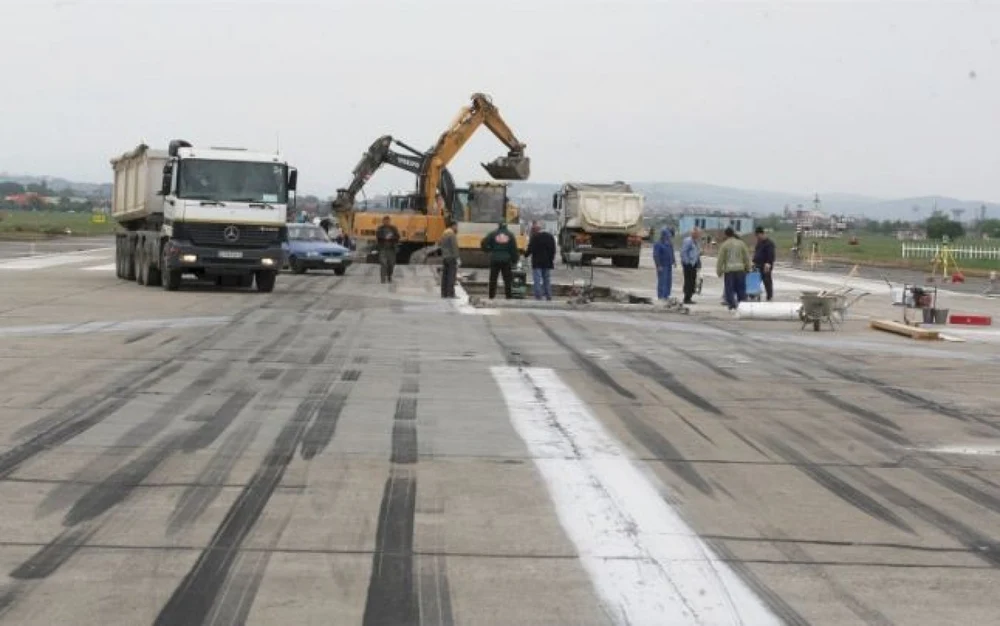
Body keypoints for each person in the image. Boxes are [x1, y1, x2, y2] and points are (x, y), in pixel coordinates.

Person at [480, 221, 519, 299]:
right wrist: (515, 260)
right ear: (506, 225)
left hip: (495, 259)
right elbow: (514, 249)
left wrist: (488, 249)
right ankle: (508, 296)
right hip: (506, 260)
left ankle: (491, 296)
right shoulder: (510, 235)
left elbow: (483, 242)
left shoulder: (493, 234)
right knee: (507, 280)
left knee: (493, 279)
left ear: (498, 225)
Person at [716, 226, 752, 310]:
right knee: (741, 289)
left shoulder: (724, 245)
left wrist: (719, 271)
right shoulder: (741, 243)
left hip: (730, 271)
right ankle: (742, 305)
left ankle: (732, 305)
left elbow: (720, 259)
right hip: (740, 270)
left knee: (729, 289)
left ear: (726, 234)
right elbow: (746, 257)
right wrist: (748, 268)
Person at [525, 220, 556, 300]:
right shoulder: (550, 237)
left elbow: (530, 249)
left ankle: (538, 296)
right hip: (547, 262)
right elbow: (553, 250)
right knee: (547, 280)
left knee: (537, 280)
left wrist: (525, 254)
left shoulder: (535, 237)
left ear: (537, 229)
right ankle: (548, 296)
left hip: (537, 263)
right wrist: (551, 259)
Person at [652, 227, 676, 301]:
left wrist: (674, 261)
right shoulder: (658, 244)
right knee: (662, 281)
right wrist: (658, 265)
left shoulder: (669, 244)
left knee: (668, 281)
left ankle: (666, 295)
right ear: (663, 235)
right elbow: (656, 255)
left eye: (668, 236)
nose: (668, 237)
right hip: (662, 265)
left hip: (668, 265)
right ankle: (661, 296)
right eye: (667, 236)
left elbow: (671, 252)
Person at [753, 226, 776, 301]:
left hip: (765, 266)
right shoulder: (759, 242)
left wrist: (768, 263)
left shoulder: (769, 243)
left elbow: (771, 255)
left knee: (767, 281)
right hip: (757, 265)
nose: (757, 237)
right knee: (755, 281)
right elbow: (757, 253)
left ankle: (769, 296)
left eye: (757, 235)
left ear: (761, 234)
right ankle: (754, 295)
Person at [375, 215, 400, 283]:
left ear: (389, 221)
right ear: (383, 221)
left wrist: (391, 238)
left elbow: (398, 237)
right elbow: (378, 236)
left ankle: (389, 276)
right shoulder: (380, 228)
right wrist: (385, 237)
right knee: (383, 264)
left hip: (391, 249)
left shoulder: (393, 228)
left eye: (388, 221)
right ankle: (382, 279)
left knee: (391, 264)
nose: (386, 222)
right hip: (383, 249)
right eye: (385, 221)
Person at [680, 227, 701, 304]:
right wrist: (687, 262)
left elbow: (696, 253)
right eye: (698, 233)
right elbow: (683, 252)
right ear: (693, 233)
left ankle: (689, 297)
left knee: (692, 281)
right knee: (688, 281)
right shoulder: (688, 241)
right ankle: (686, 298)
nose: (699, 235)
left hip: (694, 264)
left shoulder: (696, 241)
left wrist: (698, 263)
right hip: (688, 265)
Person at [439, 221, 459, 298]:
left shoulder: (444, 233)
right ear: (453, 226)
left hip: (445, 257)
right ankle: (451, 293)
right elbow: (454, 247)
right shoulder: (451, 234)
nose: (457, 228)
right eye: (456, 226)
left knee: (445, 276)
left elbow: (440, 244)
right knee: (451, 276)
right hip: (451, 257)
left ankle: (444, 293)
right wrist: (457, 258)